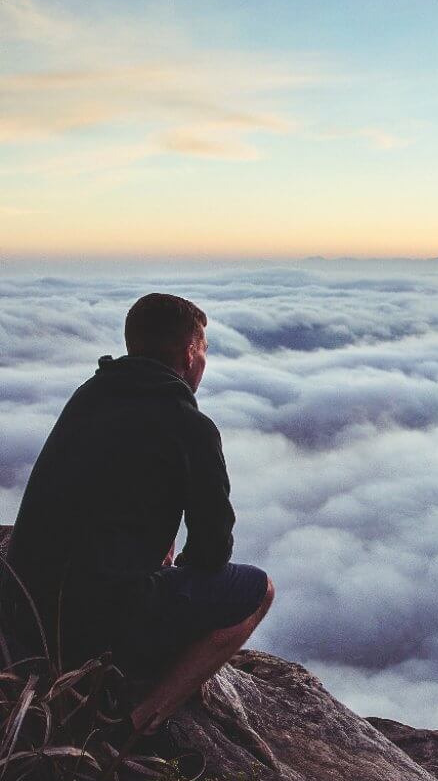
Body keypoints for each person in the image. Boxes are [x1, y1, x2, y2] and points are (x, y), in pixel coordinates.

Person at [1, 293, 274, 737]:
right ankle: (135, 722)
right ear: (189, 354)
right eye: (202, 352)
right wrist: (172, 573)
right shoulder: (190, 426)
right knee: (258, 590)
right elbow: (211, 551)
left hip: (24, 616)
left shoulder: (89, 395)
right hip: (95, 628)